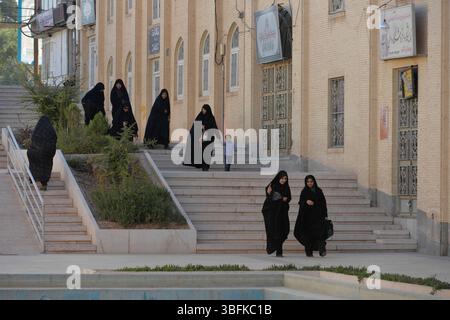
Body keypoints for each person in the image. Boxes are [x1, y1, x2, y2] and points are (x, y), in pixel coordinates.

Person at [294, 175, 329, 257]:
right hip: (307, 218)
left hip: (318, 216)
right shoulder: (304, 191)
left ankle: (322, 250)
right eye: (308, 182)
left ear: (314, 182)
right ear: (306, 182)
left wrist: (325, 215)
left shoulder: (319, 191)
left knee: (320, 234)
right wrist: (306, 201)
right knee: (308, 235)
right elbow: (300, 202)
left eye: (311, 181)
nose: (310, 183)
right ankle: (309, 252)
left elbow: (323, 203)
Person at [262, 171, 292, 257]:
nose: (283, 180)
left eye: (285, 179)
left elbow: (289, 197)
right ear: (278, 178)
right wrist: (269, 194)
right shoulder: (273, 186)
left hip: (282, 214)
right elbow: (269, 199)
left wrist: (286, 199)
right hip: (273, 214)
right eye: (282, 178)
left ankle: (277, 249)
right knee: (276, 232)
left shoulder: (286, 187)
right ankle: (279, 251)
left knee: (284, 230)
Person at [183, 105, 218, 171]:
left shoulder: (211, 118)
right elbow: (194, 127)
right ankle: (202, 165)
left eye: (204, 109)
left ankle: (206, 166)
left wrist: (206, 127)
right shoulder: (200, 116)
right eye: (202, 109)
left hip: (209, 138)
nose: (203, 111)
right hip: (200, 138)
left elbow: (214, 127)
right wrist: (200, 126)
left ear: (208, 110)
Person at [27, 116, 57, 191]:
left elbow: (33, 139)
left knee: (34, 165)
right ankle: (44, 184)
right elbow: (54, 139)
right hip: (47, 153)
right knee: (45, 167)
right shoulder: (51, 130)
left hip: (35, 152)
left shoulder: (37, 130)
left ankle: (32, 178)